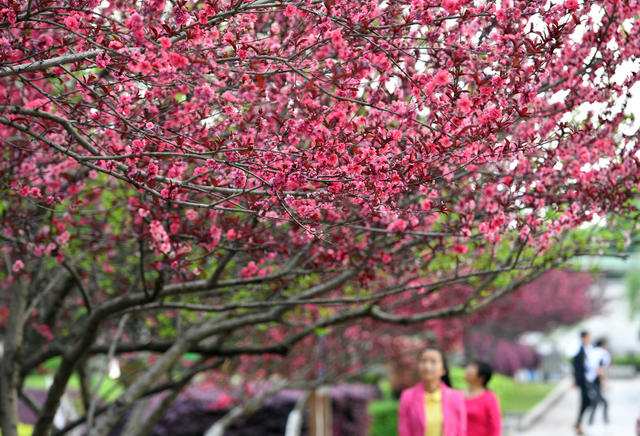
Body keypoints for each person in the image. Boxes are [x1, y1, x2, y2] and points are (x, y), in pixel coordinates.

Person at [398, 346, 467, 436]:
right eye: (423, 361)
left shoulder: (455, 397)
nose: (427, 366)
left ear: (443, 370)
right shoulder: (407, 397)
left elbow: (461, 431)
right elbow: (404, 432)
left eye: (433, 361)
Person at [464, 360, 501, 436]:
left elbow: (495, 427)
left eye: (473, 367)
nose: (468, 369)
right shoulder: (457, 395)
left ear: (481, 377)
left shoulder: (489, 398)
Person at [572, 330, 592, 435]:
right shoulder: (579, 351)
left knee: (587, 402)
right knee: (586, 401)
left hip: (586, 381)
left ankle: (578, 423)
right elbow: (576, 368)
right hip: (583, 381)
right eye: (588, 337)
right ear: (584, 338)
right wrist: (576, 380)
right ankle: (578, 423)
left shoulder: (586, 350)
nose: (589, 339)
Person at [588, 338, 611, 426]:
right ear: (602, 345)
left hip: (590, 380)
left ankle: (592, 421)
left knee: (597, 400)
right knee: (601, 401)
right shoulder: (602, 354)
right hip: (595, 380)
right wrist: (605, 382)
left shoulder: (592, 352)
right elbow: (599, 370)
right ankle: (605, 421)